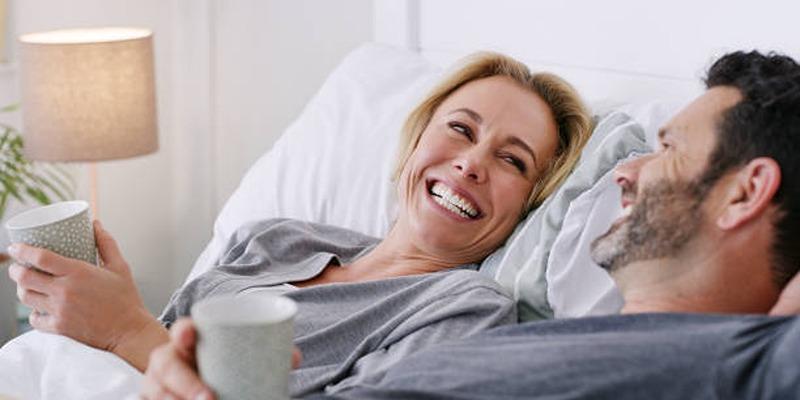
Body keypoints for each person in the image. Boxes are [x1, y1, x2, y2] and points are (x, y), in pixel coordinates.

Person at [145, 50, 800, 399]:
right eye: (459, 129)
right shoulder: (548, 338)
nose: (624, 173)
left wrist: (129, 333)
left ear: (746, 192)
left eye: (667, 149)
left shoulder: (750, 360)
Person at [6, 53, 593, 396]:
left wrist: (125, 329)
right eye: (461, 129)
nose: (471, 163)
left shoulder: (467, 307)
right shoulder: (276, 239)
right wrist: (91, 310)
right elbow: (155, 346)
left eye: (513, 161)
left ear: (530, 203)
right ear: (416, 140)